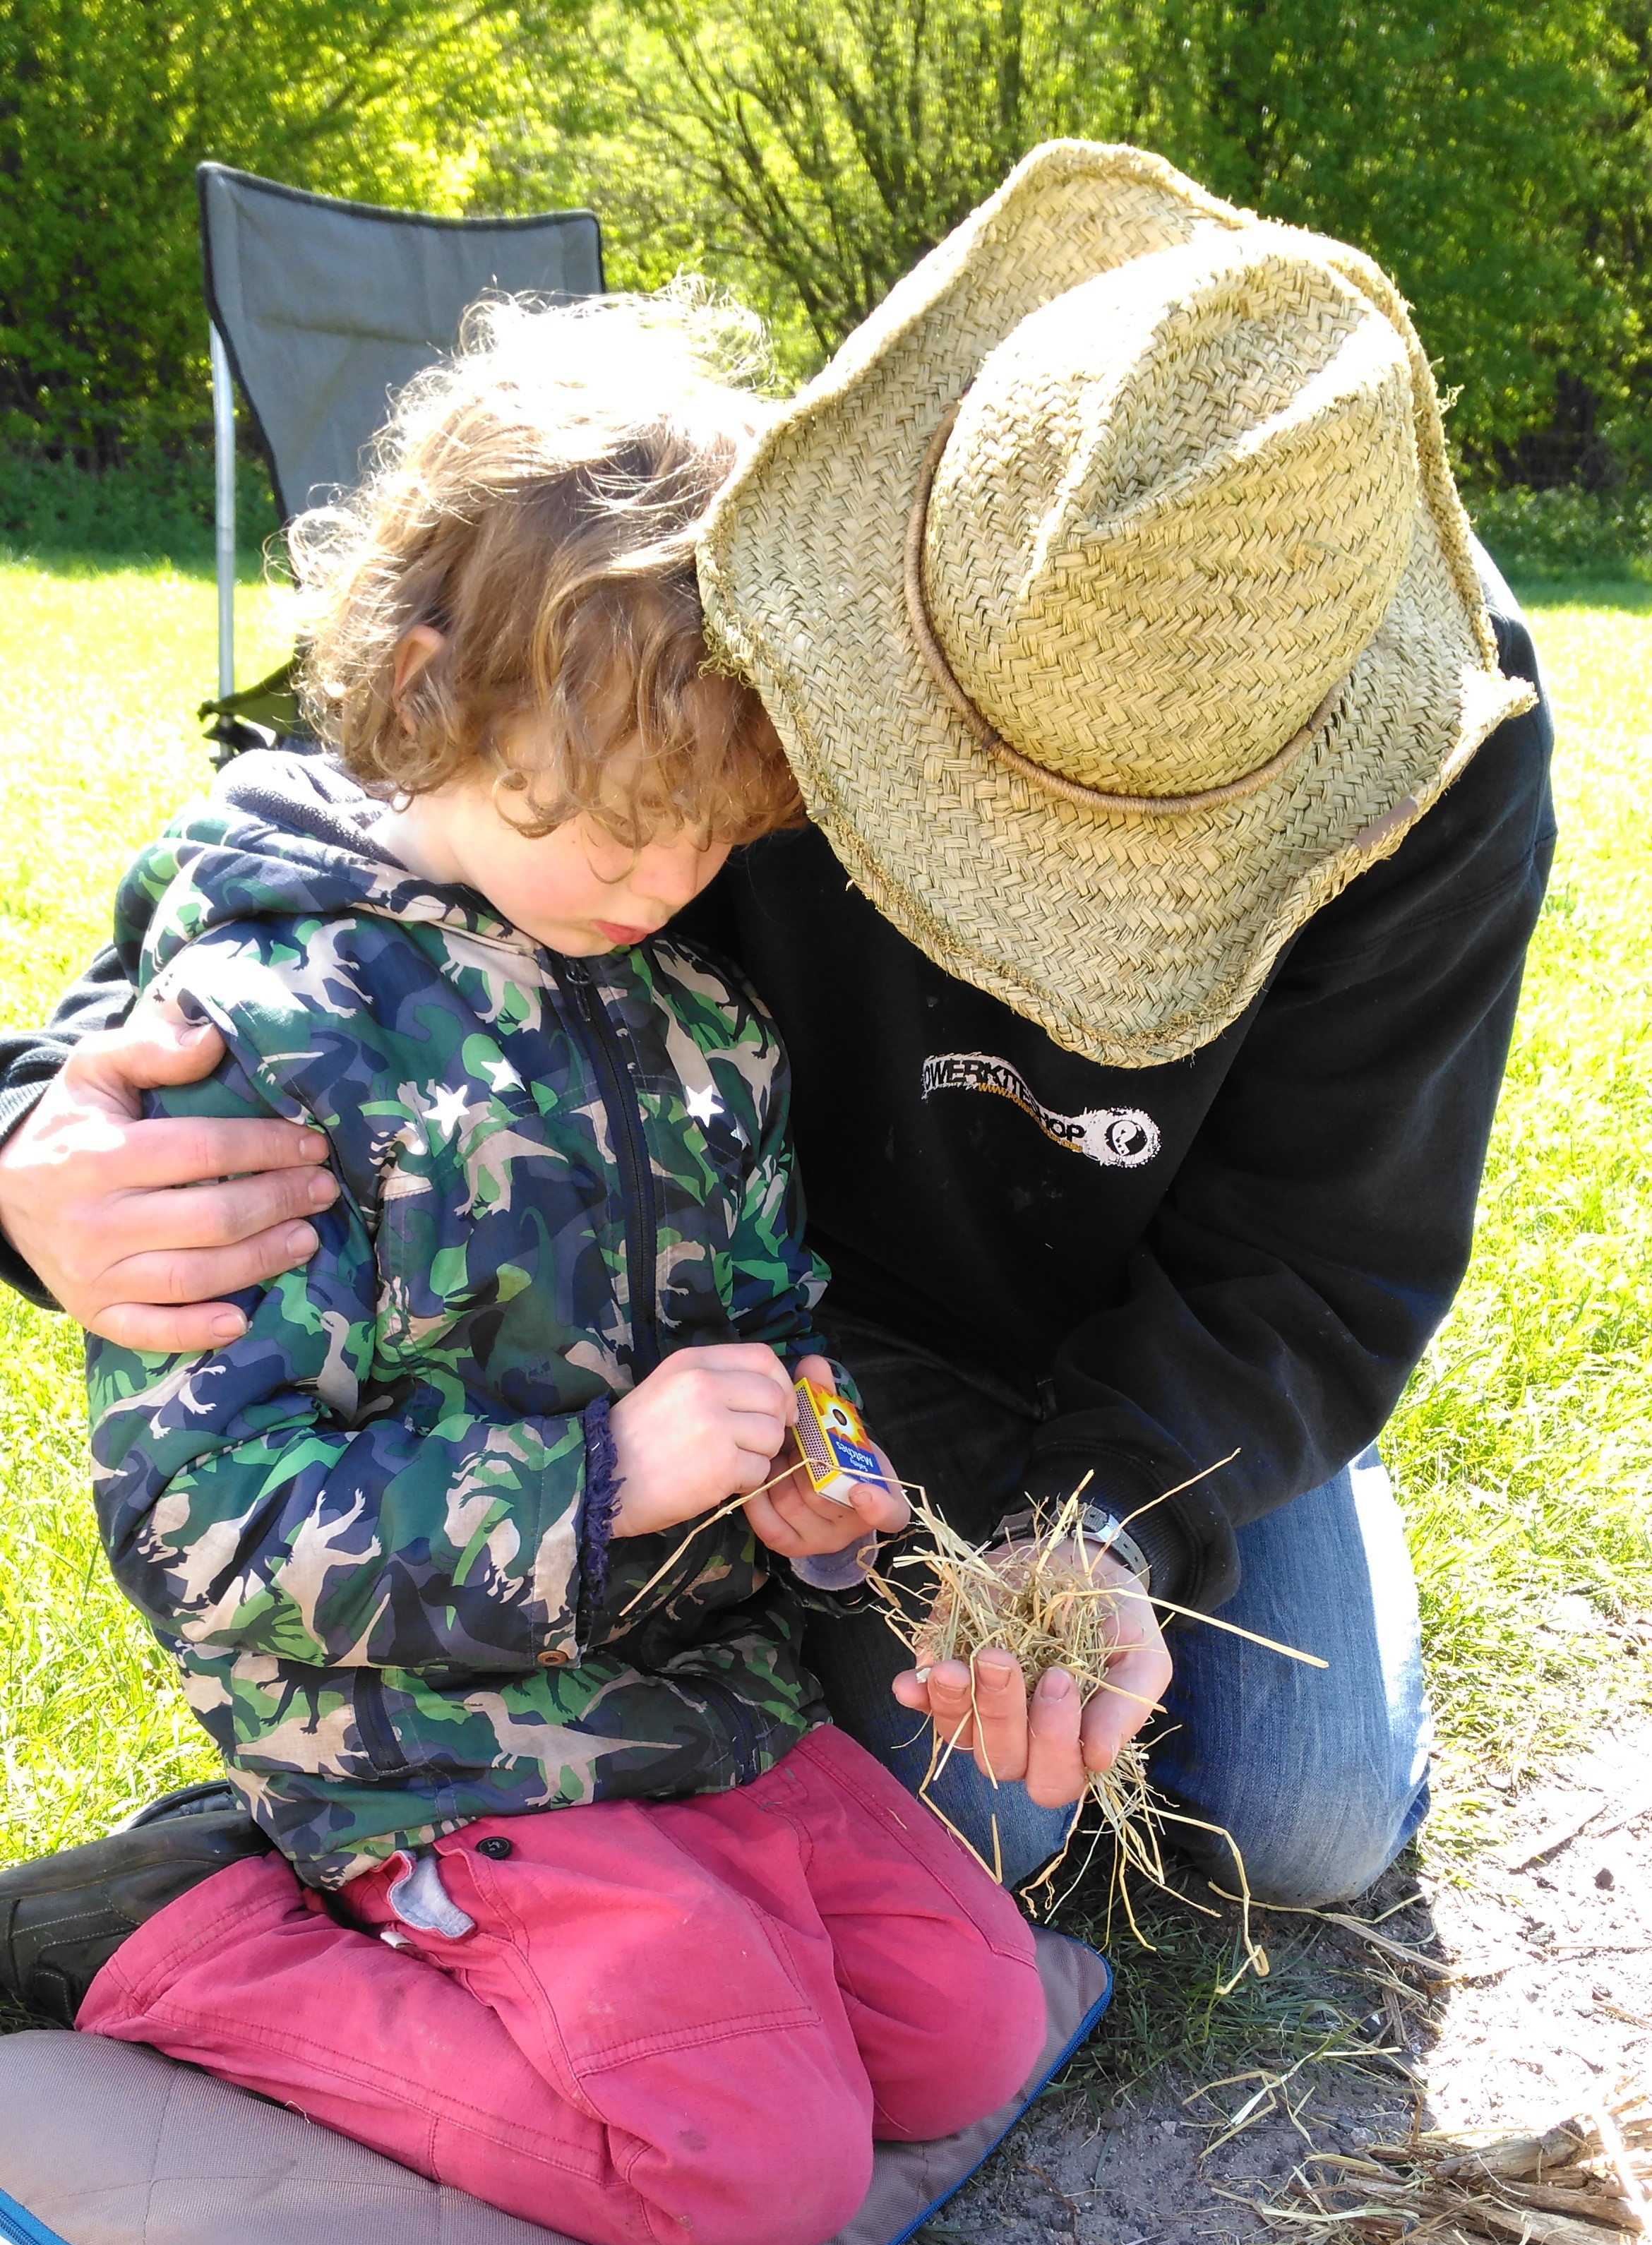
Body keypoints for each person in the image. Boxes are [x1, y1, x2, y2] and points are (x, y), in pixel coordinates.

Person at [0, 143, 1555, 1919]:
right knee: (989, 1819)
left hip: (1166, 1338)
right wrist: (37, 1134)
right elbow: (344, 817)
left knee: (1300, 1822)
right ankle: (296, 1878)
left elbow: (1326, 1250)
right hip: (805, 1315)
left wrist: (1110, 1519)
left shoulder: (1440, 753)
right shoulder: (743, 549)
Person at [0, 292, 1049, 2245]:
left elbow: (775, 1313)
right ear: (425, 685)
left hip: (701, 1707)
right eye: (618, 821)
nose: (663, 883)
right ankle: (166, 1932)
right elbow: (206, 1529)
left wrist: (810, 1490)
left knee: (967, 2036)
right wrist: (601, 1485)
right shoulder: (267, 1039)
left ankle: (600, 1954)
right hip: (428, 1744)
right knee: (744, 2176)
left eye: (714, 837)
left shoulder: (703, 1018)